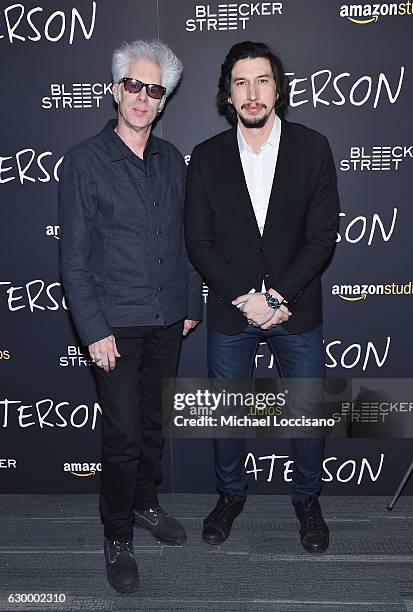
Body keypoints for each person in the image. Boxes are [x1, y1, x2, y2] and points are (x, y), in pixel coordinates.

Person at [59, 39, 202, 594]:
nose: (143, 97)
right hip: (114, 327)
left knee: (151, 426)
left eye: (154, 90)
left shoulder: (172, 160)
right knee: (121, 437)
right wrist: (93, 330)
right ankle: (117, 534)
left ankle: (145, 504)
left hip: (168, 320)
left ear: (163, 102)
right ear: (116, 90)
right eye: (134, 86)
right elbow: (73, 257)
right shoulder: (84, 162)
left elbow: (186, 241)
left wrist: (191, 305)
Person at [185, 41, 339, 554]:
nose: (253, 94)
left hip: (296, 307)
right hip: (233, 310)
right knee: (228, 412)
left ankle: (307, 499)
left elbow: (321, 238)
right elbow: (199, 242)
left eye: (262, 81)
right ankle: (230, 496)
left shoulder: (313, 147)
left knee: (307, 410)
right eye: (241, 83)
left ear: (279, 88)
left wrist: (277, 296)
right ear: (227, 95)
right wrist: (246, 298)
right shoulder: (205, 158)